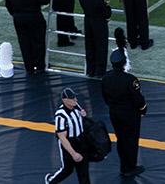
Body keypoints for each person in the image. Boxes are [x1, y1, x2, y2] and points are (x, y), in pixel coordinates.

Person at [100, 32, 147, 179]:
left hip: (114, 113)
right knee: (131, 140)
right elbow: (138, 99)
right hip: (130, 114)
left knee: (121, 139)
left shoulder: (106, 78)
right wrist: (143, 109)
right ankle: (129, 167)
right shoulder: (130, 80)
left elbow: (105, 97)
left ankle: (124, 165)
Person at [6, 0, 51, 75]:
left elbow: (8, 5)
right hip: (35, 17)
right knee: (38, 41)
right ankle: (39, 66)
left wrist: (16, 14)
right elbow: (45, 0)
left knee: (24, 42)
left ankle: (29, 67)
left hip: (19, 18)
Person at [47, 88, 90, 184]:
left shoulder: (76, 106)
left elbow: (82, 111)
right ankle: (51, 181)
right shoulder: (60, 116)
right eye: (72, 98)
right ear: (65, 100)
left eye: (75, 97)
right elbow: (62, 138)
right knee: (67, 169)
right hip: (69, 143)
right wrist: (73, 153)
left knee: (83, 170)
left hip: (80, 140)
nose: (76, 100)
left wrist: (83, 113)